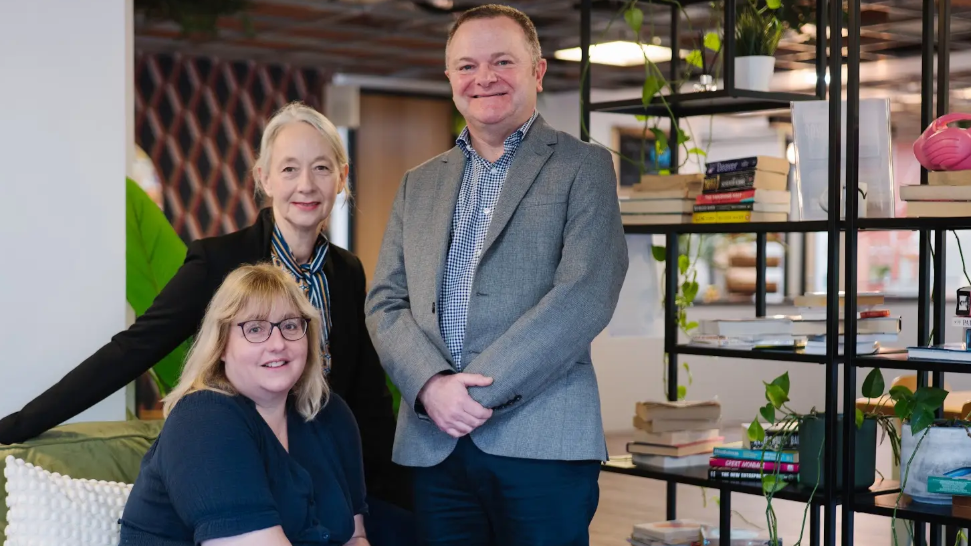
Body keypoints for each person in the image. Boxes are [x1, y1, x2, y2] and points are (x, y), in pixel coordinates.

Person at [0, 102, 413, 545]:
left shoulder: (345, 271)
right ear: (264, 178)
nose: (306, 185)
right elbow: (134, 349)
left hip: (320, 475)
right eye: (289, 169)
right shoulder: (218, 260)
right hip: (238, 462)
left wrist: (394, 495)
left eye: (321, 168)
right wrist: (17, 426)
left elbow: (368, 400)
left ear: (342, 177)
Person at [364, 4, 629, 546]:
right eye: (466, 66)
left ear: (537, 70)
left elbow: (584, 296)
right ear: (450, 79)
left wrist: (474, 396)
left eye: (501, 61)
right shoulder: (419, 183)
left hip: (543, 441)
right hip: (433, 443)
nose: (483, 77)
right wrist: (432, 386)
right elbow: (385, 302)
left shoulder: (584, 167)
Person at [119, 263, 369, 546]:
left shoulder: (330, 414)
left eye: (290, 325)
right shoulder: (202, 420)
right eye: (255, 329)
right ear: (221, 345)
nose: (277, 343)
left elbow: (354, 537)